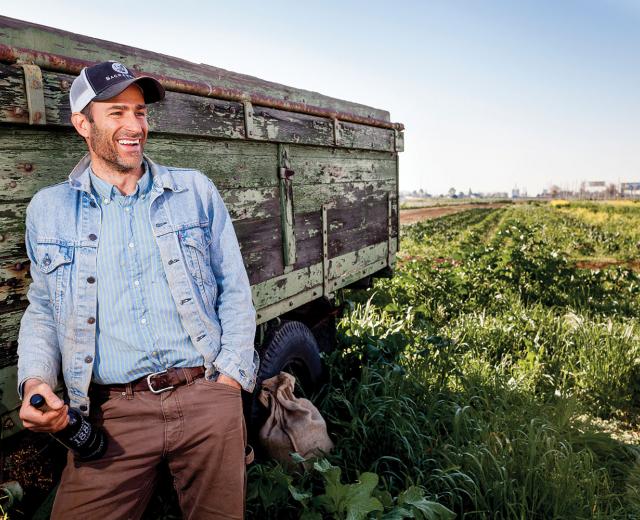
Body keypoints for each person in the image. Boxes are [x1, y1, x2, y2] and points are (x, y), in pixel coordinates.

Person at [17, 60, 258, 519]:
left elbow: (235, 290)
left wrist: (228, 383)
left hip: (204, 394)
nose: (134, 126)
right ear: (82, 124)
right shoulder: (48, 210)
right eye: (117, 113)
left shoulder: (194, 191)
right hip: (112, 414)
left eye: (140, 112)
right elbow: (44, 309)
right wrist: (35, 381)